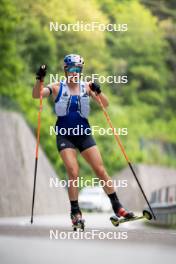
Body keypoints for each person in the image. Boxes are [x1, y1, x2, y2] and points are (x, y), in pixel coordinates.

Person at [32, 54, 134, 227]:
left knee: (101, 170)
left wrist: (99, 91)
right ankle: (75, 212)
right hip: (65, 135)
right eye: (72, 69)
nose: (75, 73)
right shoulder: (57, 87)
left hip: (84, 134)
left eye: (78, 69)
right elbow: (37, 95)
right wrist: (39, 79)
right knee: (73, 172)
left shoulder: (86, 87)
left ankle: (118, 207)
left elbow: (105, 104)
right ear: (65, 70)